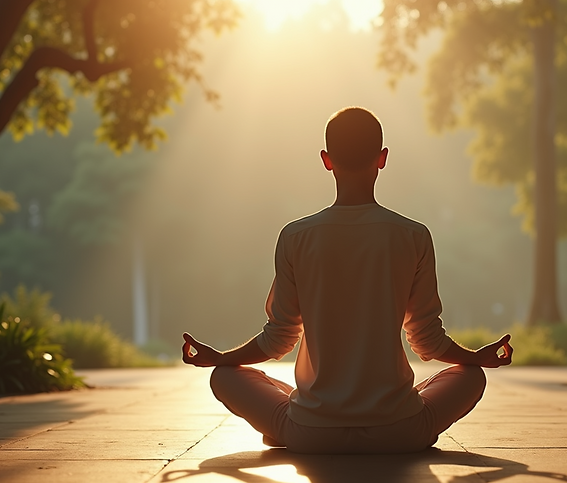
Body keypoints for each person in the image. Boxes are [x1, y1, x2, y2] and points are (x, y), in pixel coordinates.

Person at [181, 106, 513, 454]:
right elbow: (427, 341)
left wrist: (219, 357)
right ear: (382, 158)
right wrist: (478, 357)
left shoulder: (296, 236)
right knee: (470, 375)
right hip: (399, 431)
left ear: (327, 160)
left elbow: (279, 338)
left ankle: (290, 427)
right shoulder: (413, 235)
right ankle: (393, 418)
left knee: (225, 376)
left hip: (311, 433)